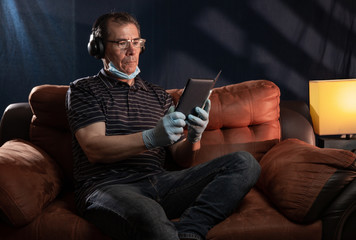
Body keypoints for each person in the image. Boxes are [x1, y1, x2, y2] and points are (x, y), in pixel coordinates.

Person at [65, 12, 261, 240]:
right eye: (121, 43)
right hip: (107, 187)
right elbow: (94, 148)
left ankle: (190, 231)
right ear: (98, 48)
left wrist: (195, 137)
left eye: (136, 42)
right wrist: (150, 138)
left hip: (160, 183)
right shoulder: (84, 90)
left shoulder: (159, 96)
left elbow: (182, 158)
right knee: (149, 213)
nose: (132, 50)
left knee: (244, 163)